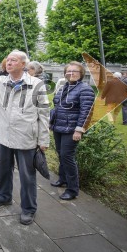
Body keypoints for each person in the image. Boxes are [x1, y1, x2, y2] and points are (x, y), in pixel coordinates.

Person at [0, 51, 50, 225]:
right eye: (8, 60)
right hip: (3, 136)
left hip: (25, 138)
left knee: (27, 176)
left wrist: (44, 140)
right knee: (3, 169)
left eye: (14, 60)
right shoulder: (0, 81)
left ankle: (29, 209)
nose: (9, 62)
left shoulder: (36, 84)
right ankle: (4, 196)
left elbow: (44, 114)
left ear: (23, 64)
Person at [50, 62, 95, 201]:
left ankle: (72, 189)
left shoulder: (85, 89)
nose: (71, 73)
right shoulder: (65, 87)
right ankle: (62, 179)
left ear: (81, 73)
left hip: (72, 129)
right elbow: (57, 106)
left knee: (67, 157)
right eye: (68, 71)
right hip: (59, 126)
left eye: (74, 71)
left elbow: (86, 112)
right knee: (61, 154)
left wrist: (79, 130)